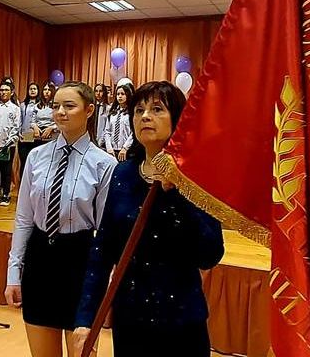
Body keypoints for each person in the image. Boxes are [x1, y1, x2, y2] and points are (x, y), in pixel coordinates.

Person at [73, 81, 225, 356]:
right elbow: (103, 250)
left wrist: (178, 190)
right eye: (139, 110)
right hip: (130, 320)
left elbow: (210, 253)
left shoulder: (198, 177)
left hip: (182, 321)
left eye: (156, 109)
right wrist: (86, 318)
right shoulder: (123, 174)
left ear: (177, 119)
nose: (145, 116)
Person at [5, 82, 115, 357]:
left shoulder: (104, 164)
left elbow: (106, 232)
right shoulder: (36, 157)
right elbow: (24, 219)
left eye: (69, 106)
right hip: (40, 259)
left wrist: (106, 283)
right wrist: (13, 274)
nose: (60, 112)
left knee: (82, 351)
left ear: (89, 110)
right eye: (56, 106)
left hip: (80, 260)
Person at [18, 82, 45, 187]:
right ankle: (23, 186)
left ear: (38, 91)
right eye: (31, 89)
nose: (33, 91)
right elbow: (20, 120)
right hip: (26, 135)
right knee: (24, 161)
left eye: (35, 89)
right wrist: (19, 132)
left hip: (37, 137)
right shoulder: (23, 105)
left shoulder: (41, 105)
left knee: (36, 162)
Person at [99, 82, 133, 162]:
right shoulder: (113, 113)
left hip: (126, 151)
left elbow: (133, 133)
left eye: (122, 94)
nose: (120, 96)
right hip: (112, 150)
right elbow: (107, 131)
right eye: (118, 94)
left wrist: (125, 148)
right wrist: (109, 148)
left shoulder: (131, 113)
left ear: (127, 95)